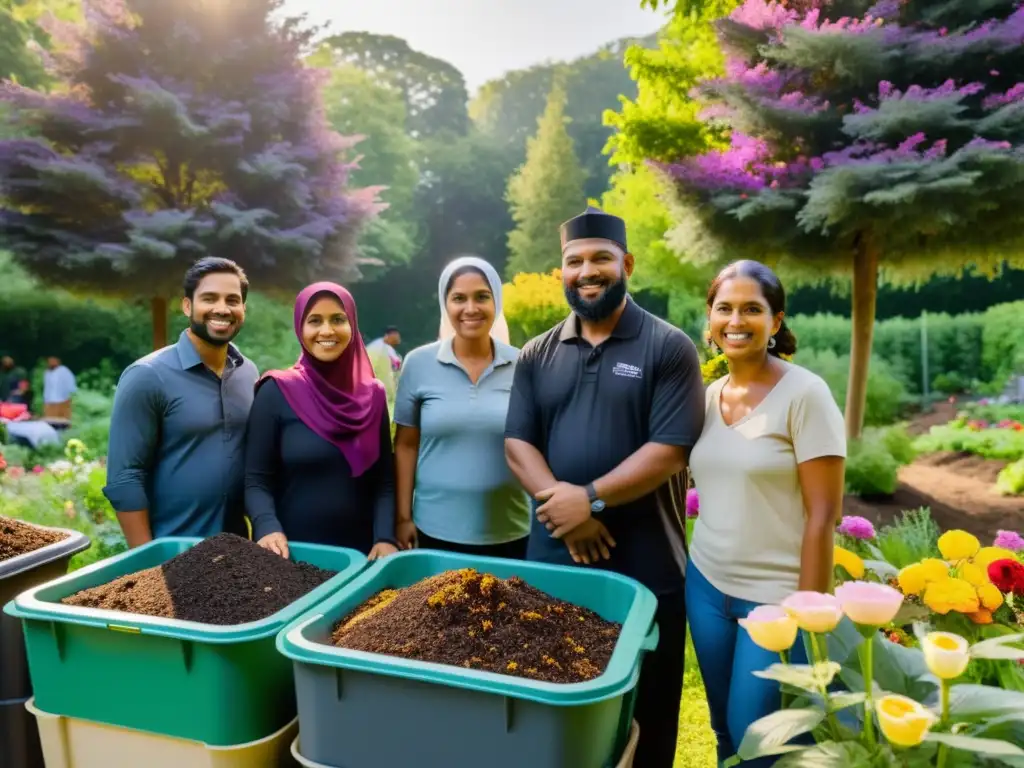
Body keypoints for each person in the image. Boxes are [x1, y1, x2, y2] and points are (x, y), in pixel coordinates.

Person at [503, 206, 705, 768]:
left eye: (600, 258)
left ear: (627, 263)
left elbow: (670, 449)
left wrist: (588, 498)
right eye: (574, 261)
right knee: (555, 701)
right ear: (560, 271)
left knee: (648, 709)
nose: (587, 270)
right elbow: (518, 444)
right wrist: (564, 507)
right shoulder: (536, 353)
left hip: (645, 566)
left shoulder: (668, 347)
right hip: (553, 561)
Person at [687, 260, 846, 768]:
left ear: (775, 322)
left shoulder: (805, 394)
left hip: (777, 600)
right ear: (710, 320)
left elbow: (824, 516)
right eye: (724, 308)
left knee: (763, 746)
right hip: (707, 586)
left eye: (752, 309)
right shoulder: (708, 398)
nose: (736, 320)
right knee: (723, 733)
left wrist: (809, 614)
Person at [103, 257, 258, 547]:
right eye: (209, 298)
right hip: (173, 553)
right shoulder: (147, 376)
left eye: (232, 300)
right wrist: (147, 564)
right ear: (187, 306)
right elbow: (125, 478)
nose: (222, 309)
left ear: (243, 310)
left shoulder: (248, 373)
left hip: (238, 555)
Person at [245, 282, 398, 561]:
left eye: (338, 319)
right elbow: (256, 479)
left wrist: (386, 537)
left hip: (361, 557)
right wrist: (266, 526)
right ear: (300, 329)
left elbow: (384, 481)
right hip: (291, 556)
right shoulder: (276, 390)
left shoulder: (373, 395)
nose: (327, 330)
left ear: (352, 324)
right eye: (314, 320)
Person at [393, 256, 529, 558]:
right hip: (433, 531)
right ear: (446, 304)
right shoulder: (418, 364)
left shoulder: (524, 364)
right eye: (459, 298)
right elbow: (405, 445)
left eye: (482, 296)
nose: (471, 308)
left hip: (511, 531)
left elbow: (536, 445)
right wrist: (402, 518)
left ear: (497, 301)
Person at [42, 356, 77, 420]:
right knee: (50, 420)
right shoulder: (47, 372)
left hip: (63, 400)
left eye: (53, 360)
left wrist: (71, 396)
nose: (51, 362)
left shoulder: (64, 370)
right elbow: (46, 387)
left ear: (58, 361)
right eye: (49, 361)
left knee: (63, 421)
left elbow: (71, 384)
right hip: (50, 401)